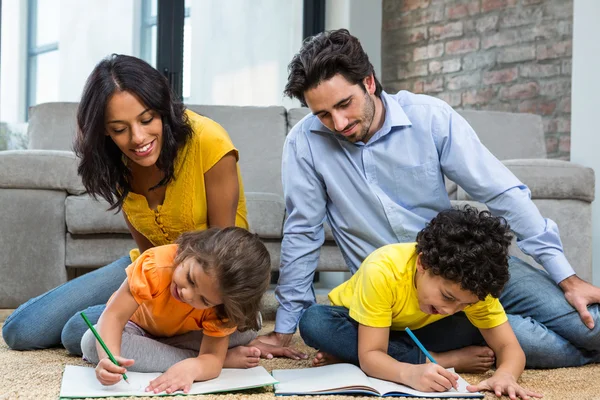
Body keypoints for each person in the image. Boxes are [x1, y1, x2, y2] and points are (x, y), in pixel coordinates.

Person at [257, 29, 600, 368]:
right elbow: (304, 233)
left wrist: (566, 277)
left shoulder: (430, 117)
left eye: (344, 104)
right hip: (395, 297)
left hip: (467, 265)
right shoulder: (304, 144)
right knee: (318, 325)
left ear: (369, 82)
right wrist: (285, 328)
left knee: (589, 328)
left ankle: (474, 333)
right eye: (324, 115)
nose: (339, 122)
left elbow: (501, 192)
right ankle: (469, 338)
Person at [2, 54, 301, 364]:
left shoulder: (209, 141)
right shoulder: (115, 160)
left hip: (209, 280)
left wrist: (143, 312)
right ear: (104, 131)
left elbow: (221, 250)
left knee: (79, 329)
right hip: (156, 271)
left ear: (162, 109)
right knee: (20, 331)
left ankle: (209, 354)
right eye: (119, 129)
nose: (138, 138)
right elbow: (147, 254)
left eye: (146, 120)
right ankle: (209, 354)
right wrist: (141, 298)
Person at [300, 208, 541, 399]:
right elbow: (371, 354)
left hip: (418, 332)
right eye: (447, 297)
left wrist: (506, 375)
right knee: (315, 322)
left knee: (477, 331)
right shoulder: (382, 269)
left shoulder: (474, 288)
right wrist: (409, 373)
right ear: (422, 264)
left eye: (465, 305)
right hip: (357, 324)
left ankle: (348, 354)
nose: (450, 309)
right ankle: (441, 359)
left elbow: (509, 348)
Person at [81, 228, 271, 394]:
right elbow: (114, 316)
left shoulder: (222, 308)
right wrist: (109, 359)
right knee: (92, 341)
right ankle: (220, 358)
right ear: (191, 250)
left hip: (184, 334)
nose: (187, 294)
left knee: (249, 323)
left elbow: (212, 356)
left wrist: (195, 368)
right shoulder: (155, 265)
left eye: (204, 300)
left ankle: (198, 358)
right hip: (136, 328)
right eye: (190, 278)